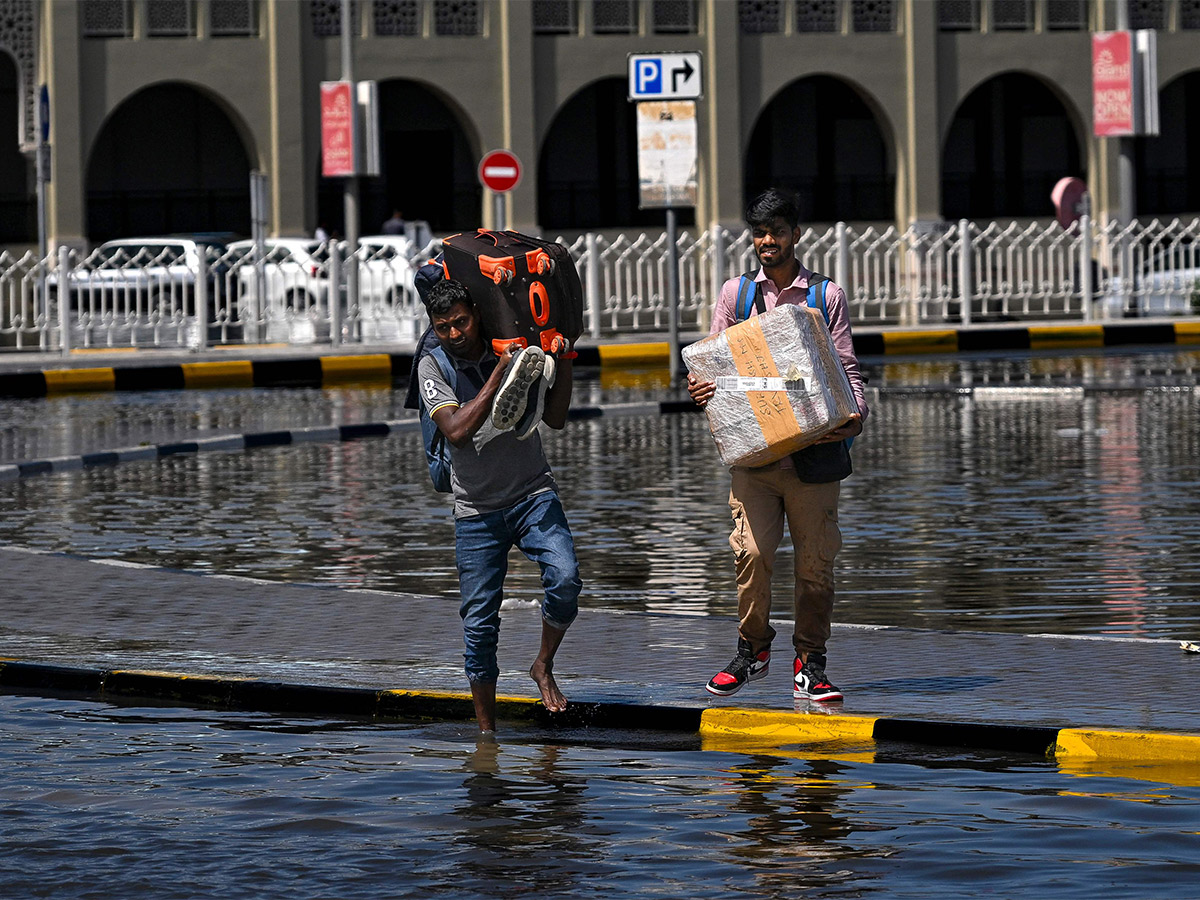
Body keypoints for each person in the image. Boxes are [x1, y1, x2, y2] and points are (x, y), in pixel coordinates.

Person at [687, 188, 868, 703]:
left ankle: (811, 663)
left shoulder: (824, 297)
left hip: (815, 456)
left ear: (796, 234)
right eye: (760, 233)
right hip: (755, 456)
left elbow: (848, 369)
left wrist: (854, 420)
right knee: (751, 553)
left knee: (815, 564)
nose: (768, 241)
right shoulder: (736, 295)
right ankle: (753, 649)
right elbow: (711, 363)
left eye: (778, 231)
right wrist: (699, 389)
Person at [417, 278, 581, 732]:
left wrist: (563, 358)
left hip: (532, 493)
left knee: (566, 579)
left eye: (462, 322)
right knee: (479, 627)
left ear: (476, 313)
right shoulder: (433, 366)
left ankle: (542, 665)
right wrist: (497, 376)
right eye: (444, 326)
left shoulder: (508, 344)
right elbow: (454, 430)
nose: (455, 334)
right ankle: (486, 736)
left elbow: (556, 418)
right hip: (476, 511)